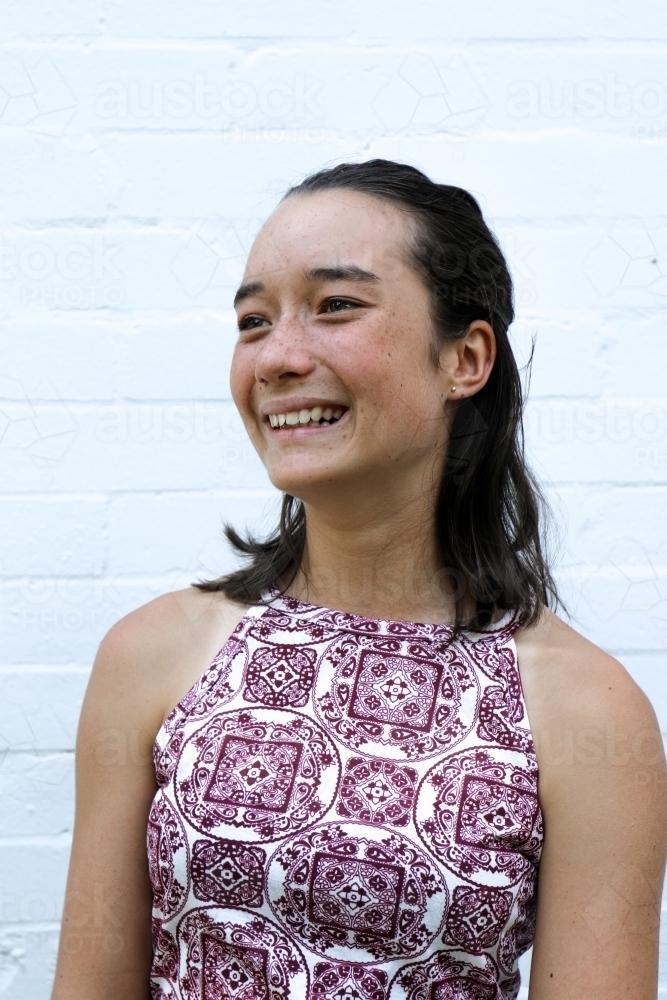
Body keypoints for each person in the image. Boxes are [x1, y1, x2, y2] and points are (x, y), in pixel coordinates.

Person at [51, 160, 666, 1000]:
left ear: (465, 358)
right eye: (253, 320)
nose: (275, 357)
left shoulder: (587, 710)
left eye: (335, 305)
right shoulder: (153, 655)